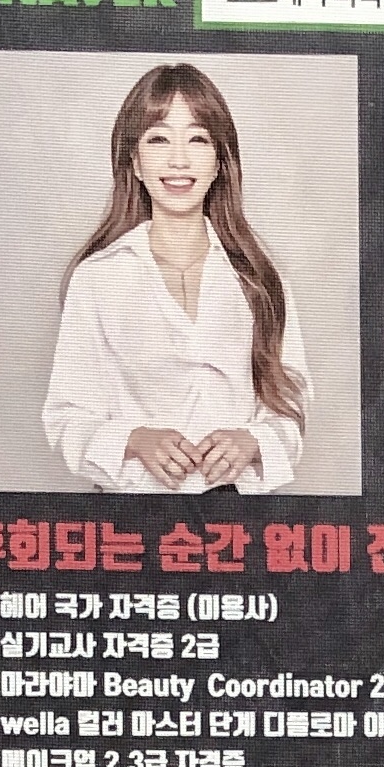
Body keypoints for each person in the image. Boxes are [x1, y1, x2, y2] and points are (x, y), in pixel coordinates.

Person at [41, 63, 308, 491]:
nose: (179, 160)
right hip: (130, 515)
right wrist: (134, 440)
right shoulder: (98, 278)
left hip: (237, 515)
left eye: (198, 139)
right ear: (135, 161)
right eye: (159, 139)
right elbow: (66, 415)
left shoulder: (259, 277)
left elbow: (291, 403)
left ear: (220, 161)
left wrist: (253, 440)